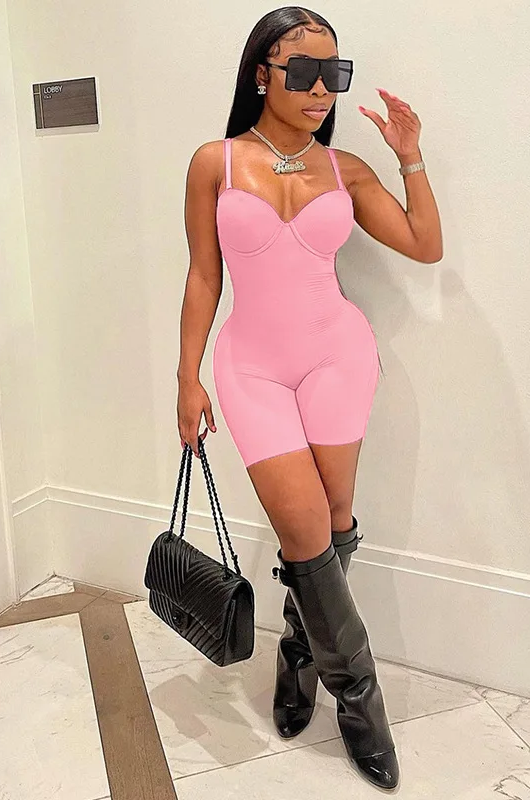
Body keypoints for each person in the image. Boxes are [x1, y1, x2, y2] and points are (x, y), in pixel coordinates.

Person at [176, 5, 442, 790]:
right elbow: (204, 275)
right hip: (251, 368)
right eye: (304, 71)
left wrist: (410, 157)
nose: (322, 88)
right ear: (262, 73)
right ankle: (361, 700)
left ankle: (298, 655)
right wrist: (186, 376)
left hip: (337, 359)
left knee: (330, 523)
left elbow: (425, 245)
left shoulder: (343, 168)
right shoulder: (215, 162)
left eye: (335, 72)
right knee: (304, 526)